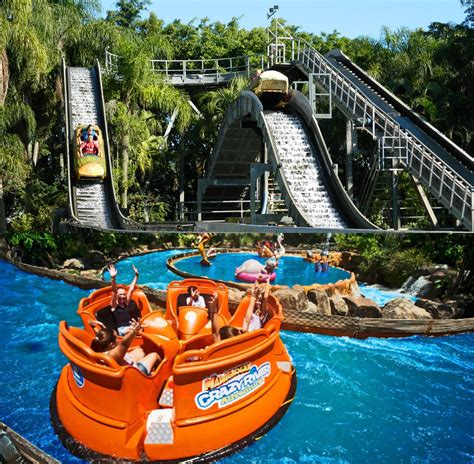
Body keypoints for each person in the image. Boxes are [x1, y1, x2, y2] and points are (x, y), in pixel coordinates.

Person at [89, 319, 160, 376]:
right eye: (117, 337)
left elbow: (102, 337)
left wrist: (95, 327)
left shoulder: (100, 346)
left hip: (125, 365)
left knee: (140, 350)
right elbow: (124, 344)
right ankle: (157, 374)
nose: (118, 339)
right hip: (133, 376)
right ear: (111, 344)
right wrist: (135, 331)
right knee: (154, 355)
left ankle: (149, 366)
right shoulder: (112, 355)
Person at [108, 264, 141, 335]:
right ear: (117, 295)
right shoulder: (114, 305)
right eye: (120, 294)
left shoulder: (125, 302)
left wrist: (136, 276)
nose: (123, 296)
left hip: (130, 326)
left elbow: (131, 289)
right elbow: (114, 291)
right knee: (135, 330)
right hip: (121, 329)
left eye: (124, 294)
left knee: (141, 328)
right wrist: (113, 278)